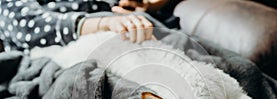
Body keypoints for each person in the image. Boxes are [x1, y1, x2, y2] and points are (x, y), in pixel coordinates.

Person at [0, 0, 174, 54]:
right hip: (55, 52)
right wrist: (104, 23)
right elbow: (30, 28)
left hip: (130, 30)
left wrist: (142, 6)